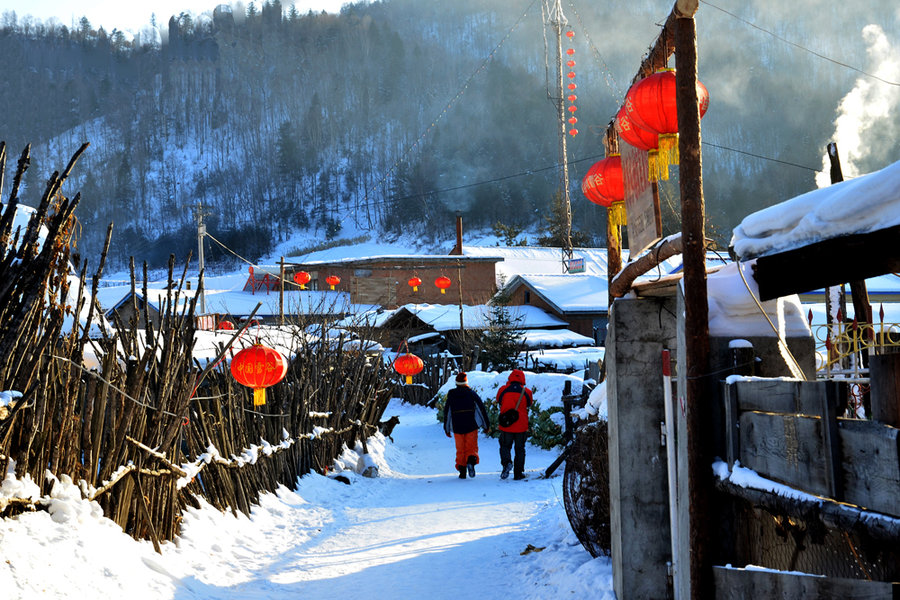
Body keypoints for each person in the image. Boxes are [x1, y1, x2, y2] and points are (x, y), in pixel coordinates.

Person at [443, 372, 490, 479]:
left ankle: (462, 471)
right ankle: (471, 462)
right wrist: (486, 425)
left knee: (460, 449)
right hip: (471, 426)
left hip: (457, 426)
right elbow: (481, 409)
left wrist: (447, 428)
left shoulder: (451, 395)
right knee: (471, 447)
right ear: (466, 382)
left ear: (456, 383)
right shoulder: (472, 394)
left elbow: (447, 412)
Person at [494, 369, 533, 480]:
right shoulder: (527, 392)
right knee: (520, 449)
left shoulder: (503, 390)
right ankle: (518, 473)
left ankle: (506, 464)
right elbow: (529, 403)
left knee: (505, 446)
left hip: (507, 424)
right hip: (521, 425)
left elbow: (499, 400)